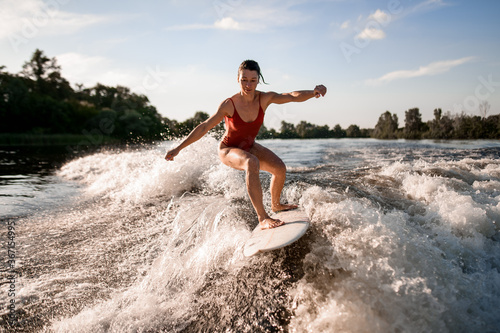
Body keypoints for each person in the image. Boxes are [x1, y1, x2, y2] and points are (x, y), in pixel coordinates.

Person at [165, 60, 326, 229]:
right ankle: (262, 217)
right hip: (228, 150)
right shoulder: (229, 104)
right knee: (251, 162)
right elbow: (204, 126)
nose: (248, 85)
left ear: (258, 80)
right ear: (238, 79)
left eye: (252, 80)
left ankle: (276, 205)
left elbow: (291, 96)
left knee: (279, 168)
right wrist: (178, 149)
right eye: (244, 80)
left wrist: (313, 92)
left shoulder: (264, 98)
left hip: (249, 146)